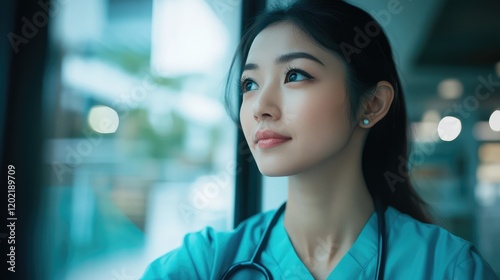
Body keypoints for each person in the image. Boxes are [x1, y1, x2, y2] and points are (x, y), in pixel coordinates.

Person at [141, 0, 498, 279]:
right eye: (249, 84)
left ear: (372, 103)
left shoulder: (449, 269)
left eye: (294, 75)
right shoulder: (205, 264)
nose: (260, 107)